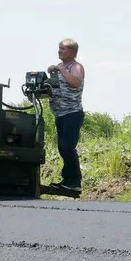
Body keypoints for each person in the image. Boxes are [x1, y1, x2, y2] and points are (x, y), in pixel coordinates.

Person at [47, 39, 85, 193]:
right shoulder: (60, 67)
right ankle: (67, 180)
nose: (59, 51)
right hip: (60, 114)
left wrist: (61, 70)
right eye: (59, 48)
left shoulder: (76, 67)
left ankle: (75, 182)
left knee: (68, 147)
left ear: (72, 52)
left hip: (72, 113)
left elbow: (75, 82)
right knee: (62, 148)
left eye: (63, 49)